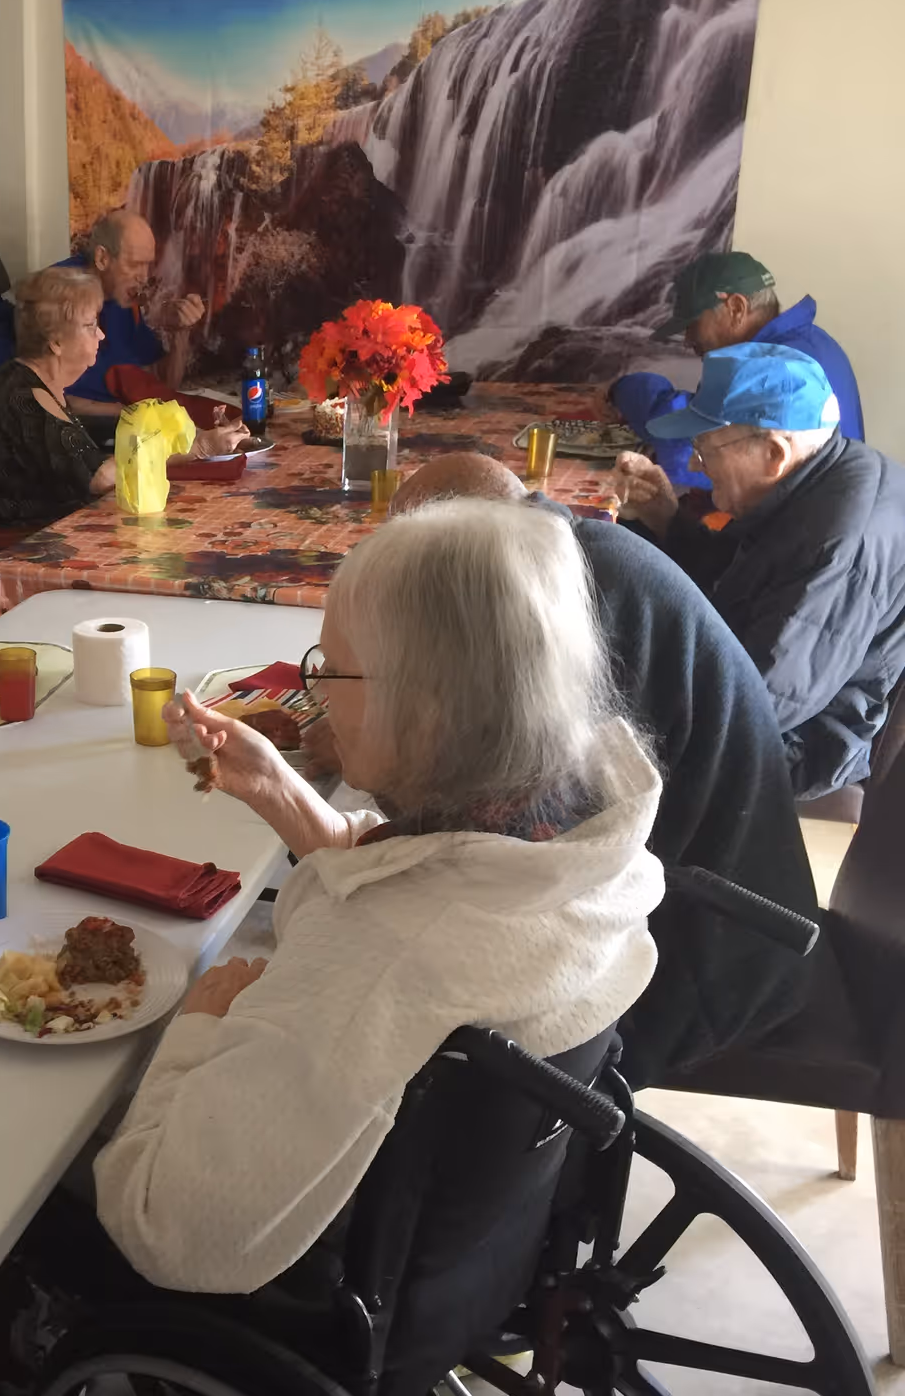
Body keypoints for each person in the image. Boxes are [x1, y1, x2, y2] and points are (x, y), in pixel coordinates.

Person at [94, 499, 661, 1293]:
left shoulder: (378, 964)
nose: (315, 689)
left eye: (332, 669)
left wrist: (197, 1026)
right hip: (473, 1242)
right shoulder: (577, 835)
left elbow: (163, 1227)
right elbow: (436, 871)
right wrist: (283, 796)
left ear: (425, 713)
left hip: (325, 1284)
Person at [386, 453, 816, 1083]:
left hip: (706, 949)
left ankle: (531, 1175)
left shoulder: (576, 603)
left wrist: (375, 750)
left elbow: (519, 823)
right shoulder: (567, 553)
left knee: (401, 1013)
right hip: (707, 890)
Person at [614, 344, 905, 801]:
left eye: (703, 448)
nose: (693, 464)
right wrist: (667, 519)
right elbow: (735, 579)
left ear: (773, 453)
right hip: (756, 690)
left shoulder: (836, 547)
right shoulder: (816, 480)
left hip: (796, 747)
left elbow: (758, 706)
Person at [0, 266, 245, 529]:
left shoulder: (37, 384)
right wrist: (201, 446)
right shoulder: (24, 398)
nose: (102, 335)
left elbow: (97, 465)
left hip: (53, 533)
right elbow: (101, 477)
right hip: (12, 552)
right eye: (91, 325)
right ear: (56, 341)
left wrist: (201, 444)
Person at [611, 252, 865, 490]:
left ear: (736, 308)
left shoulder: (773, 367)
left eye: (693, 325)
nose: (687, 340)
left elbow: (685, 449)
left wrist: (622, 390)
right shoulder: (810, 342)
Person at [0, 210, 206, 418]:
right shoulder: (64, 299)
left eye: (148, 265)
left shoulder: (120, 300)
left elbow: (159, 386)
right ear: (103, 258)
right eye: (135, 264)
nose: (144, 276)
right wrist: (130, 412)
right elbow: (46, 395)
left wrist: (180, 330)